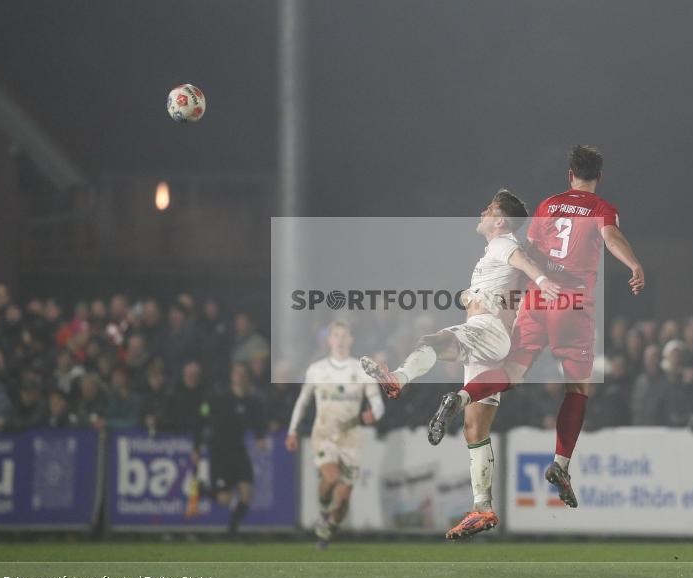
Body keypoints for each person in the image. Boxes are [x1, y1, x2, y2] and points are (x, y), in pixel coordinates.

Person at [441, 146, 644, 508]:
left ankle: (462, 396)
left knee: (513, 371)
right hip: (573, 303)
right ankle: (561, 463)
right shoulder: (601, 208)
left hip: (536, 299)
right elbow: (611, 237)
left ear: (569, 175)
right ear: (598, 177)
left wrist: (506, 298)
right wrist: (634, 265)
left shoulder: (549, 205)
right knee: (577, 388)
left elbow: (527, 254)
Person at [360, 189, 559, 539]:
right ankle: (483, 509)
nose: (482, 212)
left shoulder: (503, 243)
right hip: (493, 341)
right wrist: (471, 296)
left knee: (431, 342)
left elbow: (521, 261)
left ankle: (399, 379)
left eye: (489, 208)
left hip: (487, 331)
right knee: (475, 430)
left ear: (499, 219)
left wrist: (543, 281)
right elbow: (513, 277)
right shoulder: (492, 252)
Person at [287, 320, 384, 548]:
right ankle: (323, 510)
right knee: (331, 478)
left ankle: (328, 528)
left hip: (351, 437)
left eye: (344, 336)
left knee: (343, 497)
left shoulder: (361, 369)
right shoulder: (317, 370)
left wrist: (372, 415)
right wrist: (292, 430)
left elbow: (378, 404)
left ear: (351, 340)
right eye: (336, 336)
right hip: (324, 434)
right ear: (329, 340)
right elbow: (303, 402)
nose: (340, 340)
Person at [188, 362, 266, 534]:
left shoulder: (252, 401)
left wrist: (260, 437)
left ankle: (232, 530)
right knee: (224, 499)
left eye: (242, 373)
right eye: (236, 373)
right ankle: (202, 489)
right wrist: (196, 447)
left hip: (239, 450)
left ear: (247, 377)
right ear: (232, 376)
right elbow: (201, 419)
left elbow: (258, 422)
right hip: (220, 452)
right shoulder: (219, 399)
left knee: (247, 493)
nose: (239, 376)